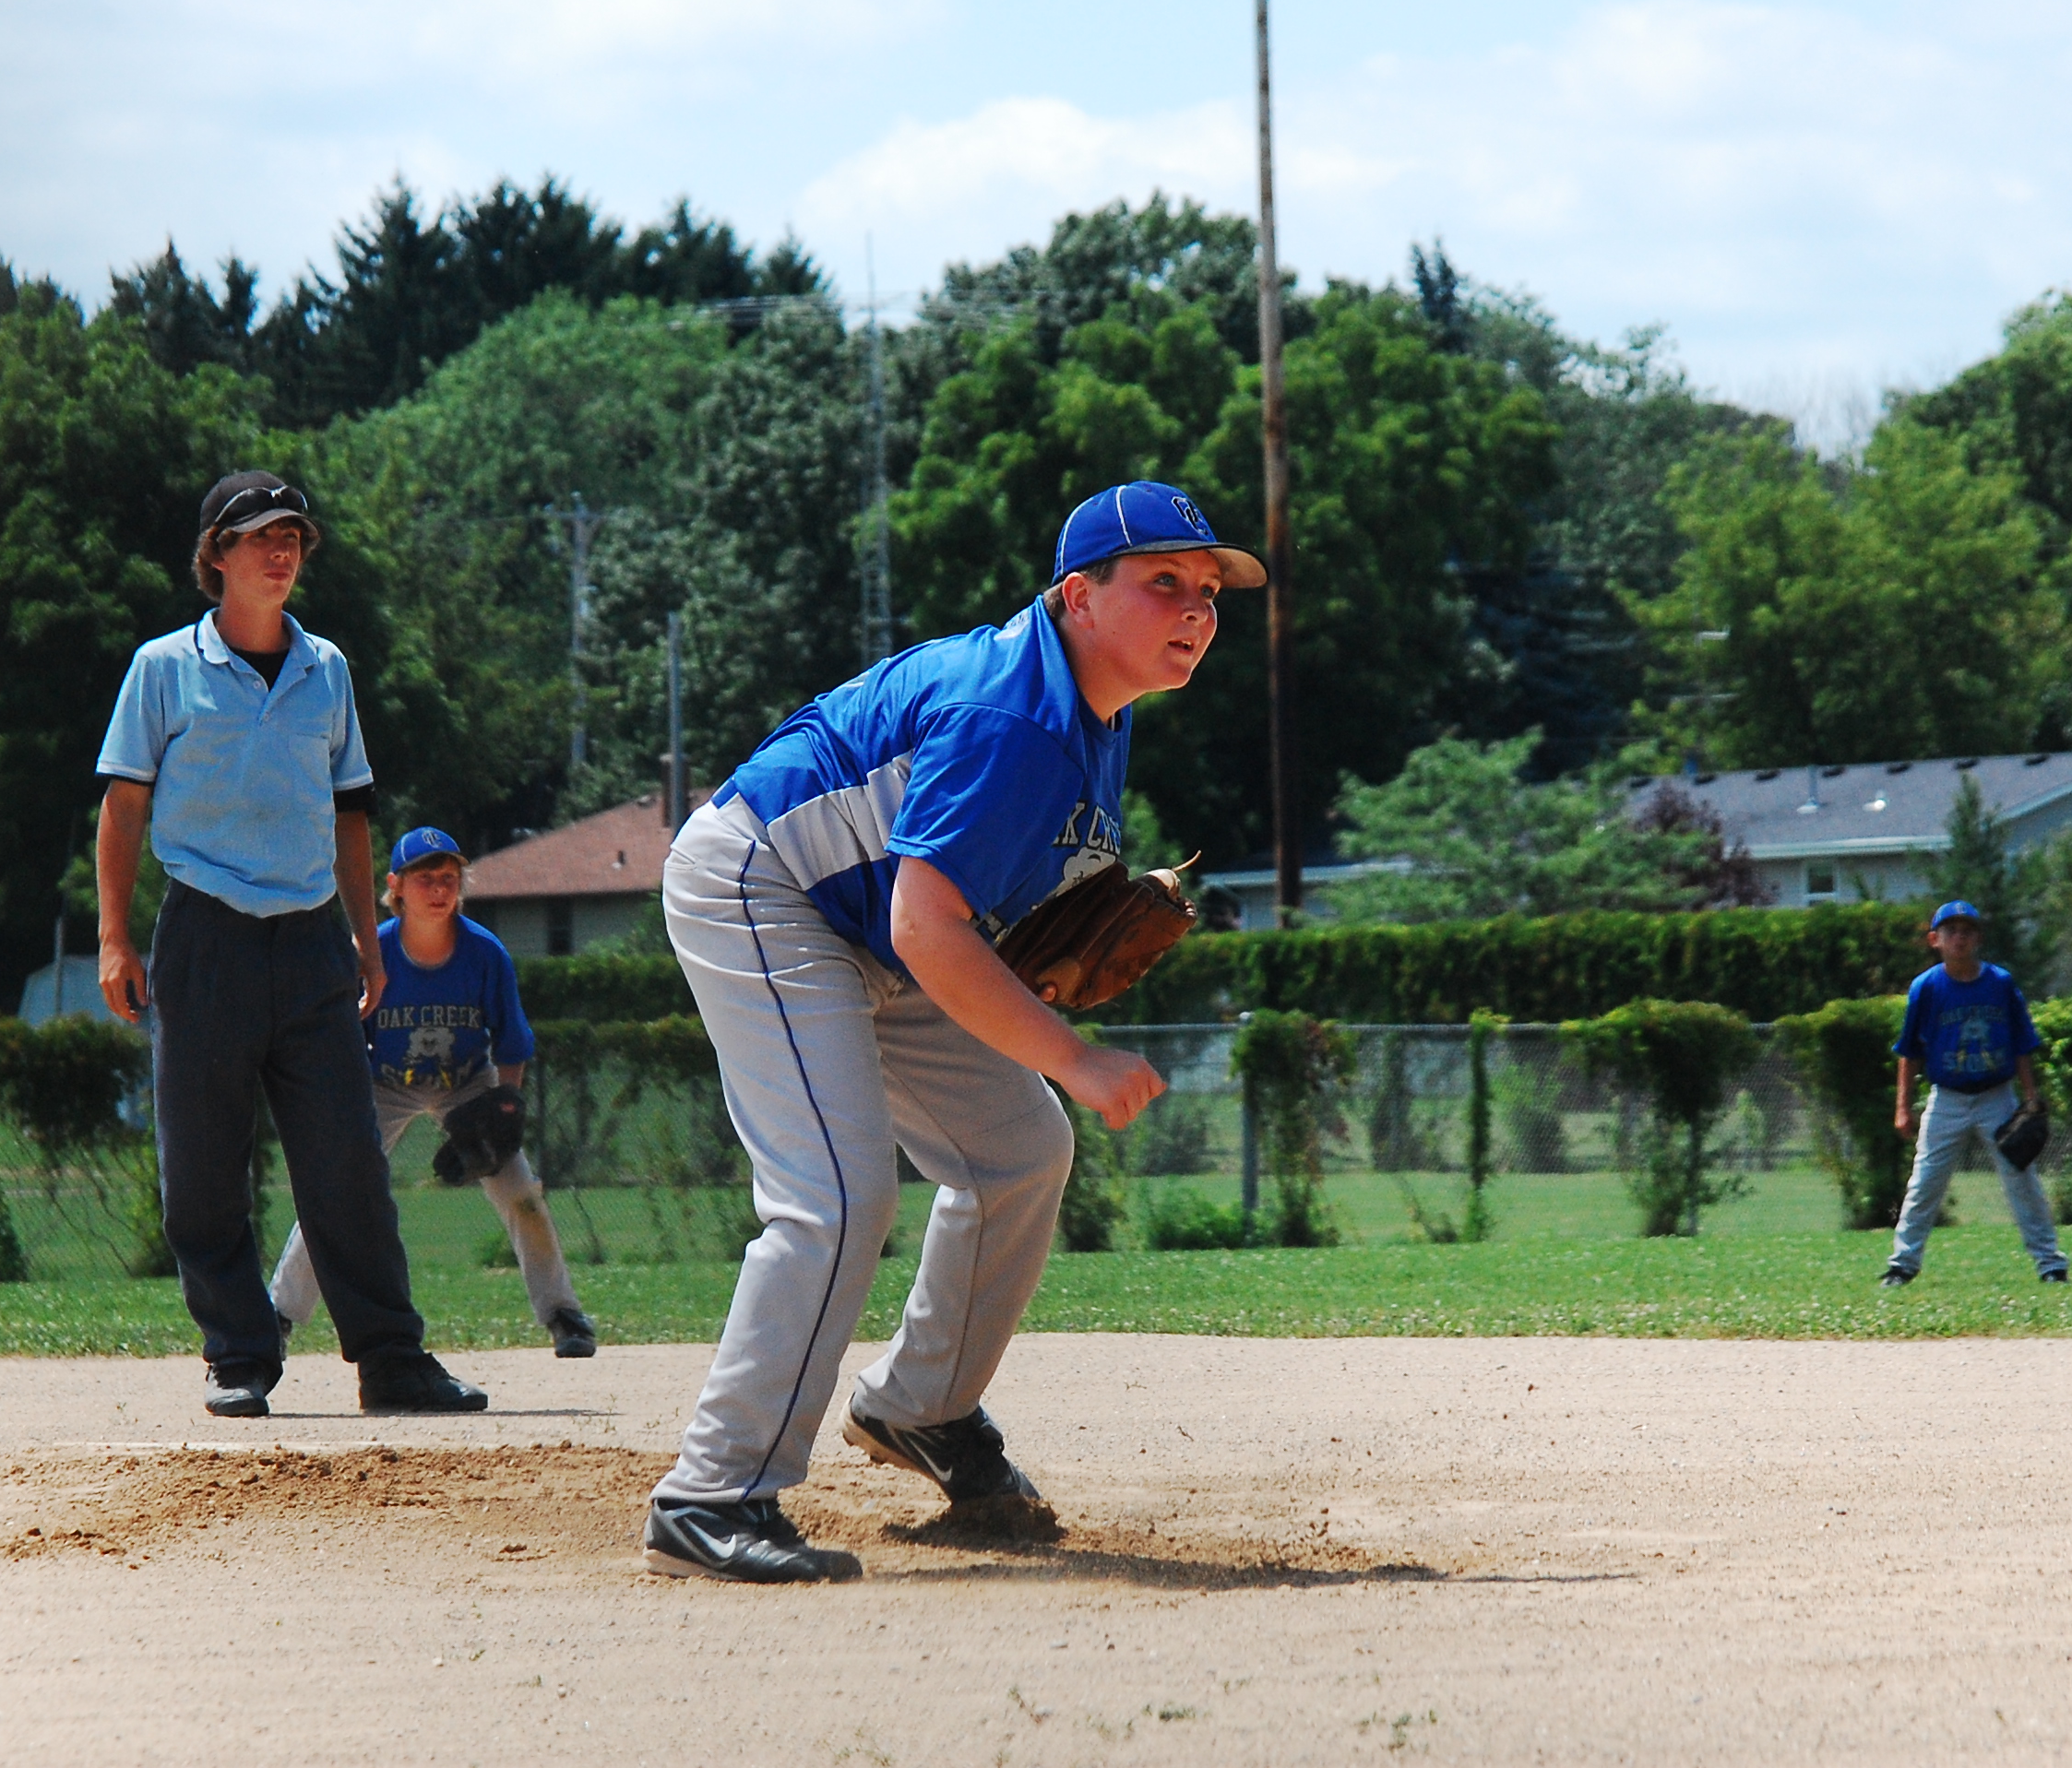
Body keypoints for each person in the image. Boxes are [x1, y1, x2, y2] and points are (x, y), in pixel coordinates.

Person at [639, 481, 1262, 1584]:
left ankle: (921, 1405)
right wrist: (1069, 1055)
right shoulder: (1010, 714)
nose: (1196, 607)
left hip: (875, 925)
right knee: (837, 1195)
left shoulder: (1095, 709)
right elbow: (925, 924)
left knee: (1018, 1150)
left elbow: (951, 906)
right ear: (1077, 596)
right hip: (766, 888)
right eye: (1163, 579)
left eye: (1208, 588)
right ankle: (711, 1492)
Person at [94, 469, 488, 1418]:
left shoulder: (327, 669)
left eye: (294, 537)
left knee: (346, 1157)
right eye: (261, 535)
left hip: (313, 938)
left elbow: (351, 813)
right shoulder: (164, 667)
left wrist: (366, 938)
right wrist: (113, 936)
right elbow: (123, 807)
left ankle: (391, 1360)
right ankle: (238, 1353)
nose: (281, 552)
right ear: (217, 553)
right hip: (205, 932)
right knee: (203, 1164)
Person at [267, 826, 599, 1359]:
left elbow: (511, 1042)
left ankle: (564, 1313)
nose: (440, 889)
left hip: (467, 1082)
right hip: (383, 1082)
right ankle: (279, 1316)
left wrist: (503, 1109)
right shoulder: (371, 952)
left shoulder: (484, 953)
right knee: (335, 1190)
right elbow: (339, 1039)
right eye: (425, 878)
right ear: (396, 886)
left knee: (520, 1191)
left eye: (448, 877)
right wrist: (343, 1113)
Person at [1882, 899, 2066, 1287]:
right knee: (1925, 1183)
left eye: (1967, 931)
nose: (1959, 938)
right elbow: (1909, 1052)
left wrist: (2030, 1097)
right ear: (1935, 940)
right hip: (1947, 1098)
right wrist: (1902, 1107)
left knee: (2021, 1179)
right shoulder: (1926, 988)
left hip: (1997, 1097)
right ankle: (1902, 1265)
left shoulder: (2000, 983)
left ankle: (2050, 1264)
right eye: (1951, 931)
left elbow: (2021, 1043)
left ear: (1978, 938)